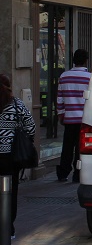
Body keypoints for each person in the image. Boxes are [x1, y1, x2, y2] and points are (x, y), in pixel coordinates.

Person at [1, 73, 36, 239]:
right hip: (10, 157)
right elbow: (31, 127)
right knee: (10, 192)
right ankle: (9, 228)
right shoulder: (16, 104)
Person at [57, 48, 91, 183]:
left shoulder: (64, 77)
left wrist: (61, 114)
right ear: (86, 61)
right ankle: (77, 174)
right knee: (80, 148)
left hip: (69, 118)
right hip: (85, 119)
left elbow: (60, 98)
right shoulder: (90, 78)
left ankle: (63, 173)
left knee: (67, 147)